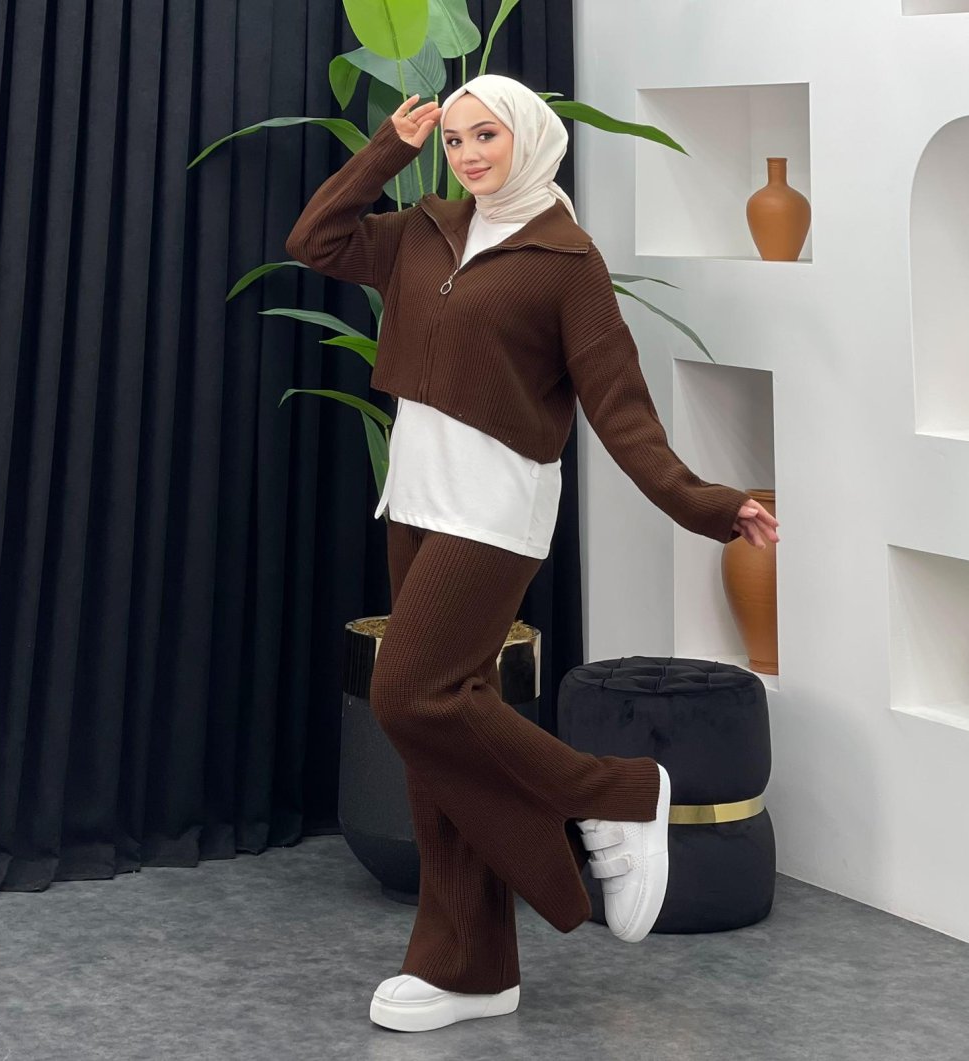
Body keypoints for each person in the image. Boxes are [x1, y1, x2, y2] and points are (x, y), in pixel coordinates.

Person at [286, 73, 779, 1034]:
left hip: (493, 509)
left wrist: (712, 505)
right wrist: (388, 149)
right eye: (456, 140)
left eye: (488, 136)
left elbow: (622, 411)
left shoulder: (565, 259)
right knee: (440, 735)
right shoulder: (425, 231)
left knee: (410, 696)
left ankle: (619, 793)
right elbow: (315, 240)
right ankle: (468, 966)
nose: (468, 155)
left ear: (531, 139)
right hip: (414, 503)